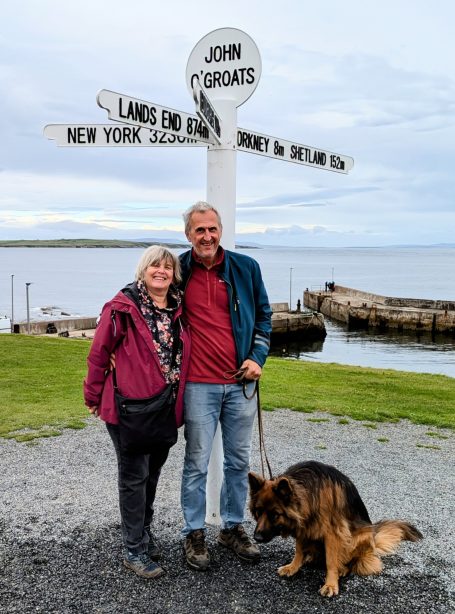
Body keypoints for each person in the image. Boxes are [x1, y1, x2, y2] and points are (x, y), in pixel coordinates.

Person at [83, 246, 189, 579]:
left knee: (152, 474)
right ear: (143, 270)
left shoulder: (178, 307)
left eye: (168, 267)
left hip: (164, 407)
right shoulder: (121, 308)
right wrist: (93, 394)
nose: (162, 271)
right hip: (128, 409)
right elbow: (99, 354)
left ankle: (142, 532)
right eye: (155, 265)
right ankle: (133, 549)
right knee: (133, 477)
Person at [179, 201, 272, 571]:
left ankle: (232, 527)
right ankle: (193, 531)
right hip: (198, 384)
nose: (207, 236)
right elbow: (143, 296)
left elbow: (265, 317)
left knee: (238, 462)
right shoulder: (177, 270)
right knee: (196, 463)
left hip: (239, 384)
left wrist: (257, 357)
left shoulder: (246, 267)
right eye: (199, 230)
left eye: (212, 229)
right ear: (189, 234)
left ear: (221, 231)